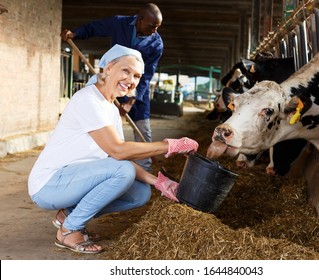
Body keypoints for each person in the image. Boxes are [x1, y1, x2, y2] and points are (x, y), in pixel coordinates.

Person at [28, 45, 199, 254]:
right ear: (108, 68)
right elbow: (119, 152)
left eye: (136, 76)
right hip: (49, 184)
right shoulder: (88, 99)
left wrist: (160, 183)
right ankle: (69, 231)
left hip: (74, 179)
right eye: (126, 71)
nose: (131, 80)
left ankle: (69, 215)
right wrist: (169, 145)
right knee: (124, 171)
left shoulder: (110, 108)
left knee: (140, 194)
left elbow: (116, 157)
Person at [60, 2, 163, 172]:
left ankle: (146, 175)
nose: (155, 31)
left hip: (136, 90)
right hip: (112, 83)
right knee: (103, 127)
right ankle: (103, 169)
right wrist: (75, 33)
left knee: (143, 131)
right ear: (140, 19)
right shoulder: (119, 23)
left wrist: (131, 101)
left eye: (158, 27)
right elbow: (95, 28)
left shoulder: (157, 44)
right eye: (153, 26)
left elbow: (146, 75)